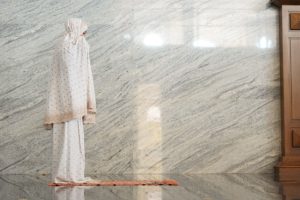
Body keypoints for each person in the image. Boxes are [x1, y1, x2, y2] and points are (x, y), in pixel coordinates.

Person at [44, 18, 97, 183]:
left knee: (61, 139)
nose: (84, 34)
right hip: (75, 98)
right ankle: (72, 174)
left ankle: (61, 173)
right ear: (77, 29)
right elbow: (79, 71)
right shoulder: (79, 44)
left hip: (60, 100)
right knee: (73, 138)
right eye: (83, 30)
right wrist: (80, 98)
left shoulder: (61, 44)